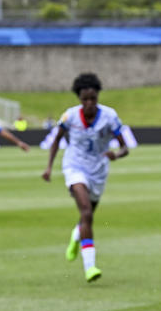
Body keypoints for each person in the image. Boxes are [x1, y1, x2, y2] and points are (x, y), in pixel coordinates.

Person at [42, 73, 128, 283]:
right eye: (85, 99)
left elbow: (125, 146)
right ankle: (90, 267)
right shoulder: (70, 116)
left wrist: (115, 154)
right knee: (86, 212)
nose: (89, 103)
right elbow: (56, 141)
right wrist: (49, 167)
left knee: (86, 217)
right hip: (74, 167)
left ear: (98, 97)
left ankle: (76, 235)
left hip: (98, 171)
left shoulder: (109, 116)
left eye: (93, 99)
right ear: (79, 98)